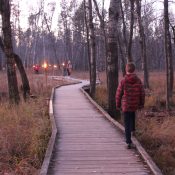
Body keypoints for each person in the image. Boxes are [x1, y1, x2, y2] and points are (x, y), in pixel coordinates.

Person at [116, 62, 145, 149]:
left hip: (126, 105)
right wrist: (141, 104)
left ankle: (128, 142)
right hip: (134, 104)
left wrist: (118, 105)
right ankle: (133, 132)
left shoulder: (123, 81)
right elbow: (142, 93)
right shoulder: (138, 80)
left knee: (127, 123)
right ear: (134, 70)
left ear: (126, 70)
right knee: (132, 116)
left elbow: (118, 94)